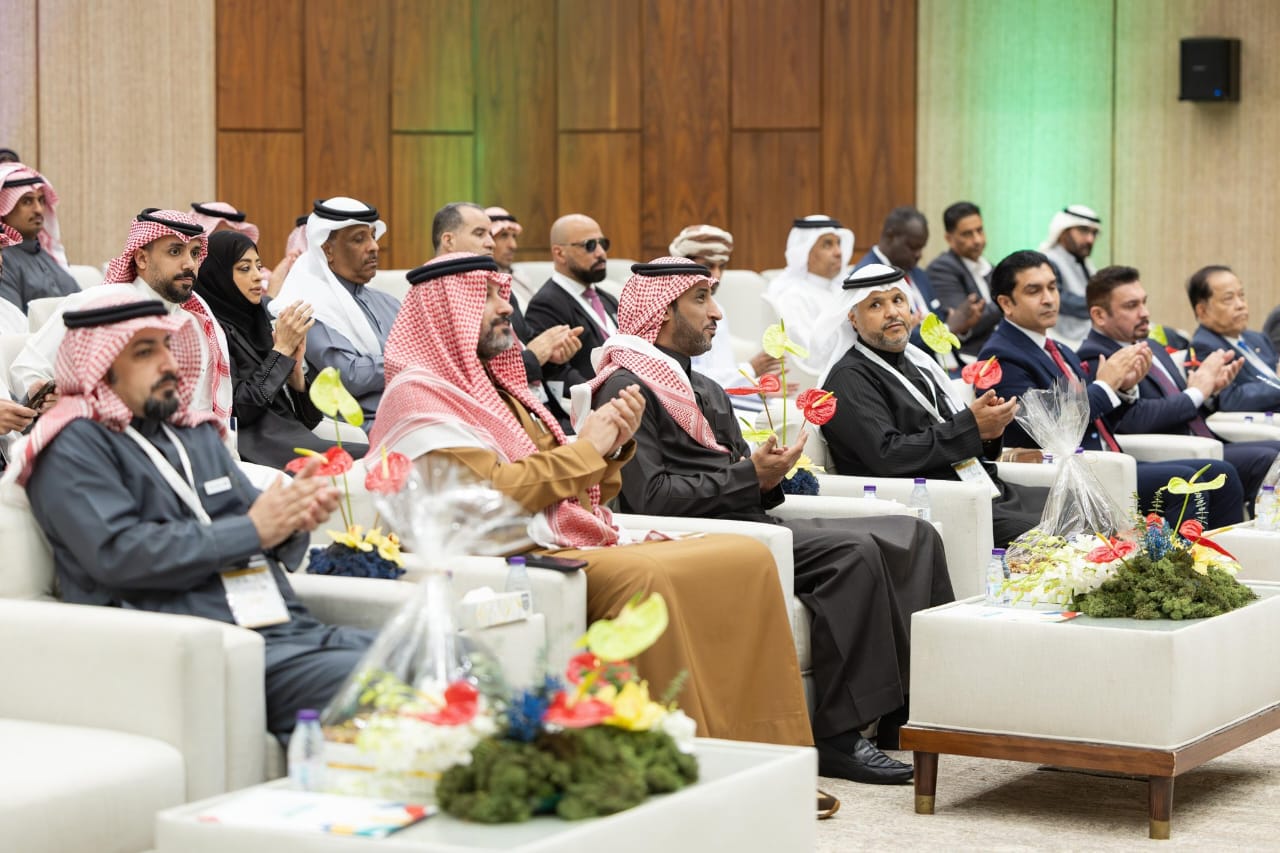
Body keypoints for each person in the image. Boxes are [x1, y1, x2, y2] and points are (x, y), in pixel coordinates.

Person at [369, 252, 812, 749]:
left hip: (554, 533)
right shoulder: (420, 397)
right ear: (448, 312)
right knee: (648, 579)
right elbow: (501, 494)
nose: (506, 307)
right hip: (508, 551)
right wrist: (588, 448)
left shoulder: (497, 390)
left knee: (745, 556)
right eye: (489, 296)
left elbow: (578, 487)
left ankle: (768, 747)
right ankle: (680, 753)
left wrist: (612, 448)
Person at [589, 257, 956, 785]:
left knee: (914, 533)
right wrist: (750, 477)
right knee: (852, 555)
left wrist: (769, 474)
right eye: (701, 300)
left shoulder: (703, 387)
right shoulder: (627, 388)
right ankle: (838, 735)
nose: (718, 314)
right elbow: (651, 498)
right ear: (662, 311)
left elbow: (743, 475)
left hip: (749, 519)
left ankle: (907, 712)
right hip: (697, 537)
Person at [14, 296, 372, 738]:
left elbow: (258, 527)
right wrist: (254, 529)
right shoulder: (74, 447)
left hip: (284, 627)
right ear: (101, 367)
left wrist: (292, 519)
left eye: (167, 346)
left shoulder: (193, 433)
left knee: (435, 650)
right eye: (144, 352)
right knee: (394, 680)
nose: (168, 364)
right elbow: (118, 554)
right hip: (202, 647)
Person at [978, 250, 1244, 529]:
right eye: (1034, 291)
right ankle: (1176, 558)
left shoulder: (1060, 349)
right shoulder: (1000, 356)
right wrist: (1106, 386)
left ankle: (1220, 554)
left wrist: (1123, 388)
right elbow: (1041, 428)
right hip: (1067, 473)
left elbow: (1103, 419)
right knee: (1186, 485)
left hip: (1107, 460)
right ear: (1006, 303)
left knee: (1222, 474)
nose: (1049, 298)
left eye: (1053, 287)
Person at [818, 264, 1046, 546]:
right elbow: (888, 455)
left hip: (975, 485)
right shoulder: (848, 378)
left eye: (898, 300)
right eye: (876, 305)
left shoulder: (918, 363)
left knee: (1075, 503)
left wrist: (989, 432)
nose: (892, 312)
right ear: (853, 318)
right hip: (930, 502)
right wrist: (971, 426)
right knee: (1051, 528)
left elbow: (953, 432)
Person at [1079, 265, 1278, 504]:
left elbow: (1187, 404)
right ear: (1099, 315)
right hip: (1172, 451)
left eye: (1144, 302)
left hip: (1204, 441)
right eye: (1132, 306)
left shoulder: (1152, 346)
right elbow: (1133, 420)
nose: (1144, 313)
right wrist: (1196, 392)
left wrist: (1211, 392)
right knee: (1267, 459)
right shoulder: (1098, 357)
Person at [10, 208, 233, 419]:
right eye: (175, 252)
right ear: (142, 259)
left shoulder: (198, 323)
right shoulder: (96, 306)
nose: (190, 264)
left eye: (195, 253)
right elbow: (27, 368)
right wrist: (47, 396)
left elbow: (203, 409)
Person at [193, 230, 366, 467]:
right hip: (260, 449)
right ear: (217, 276)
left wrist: (296, 375)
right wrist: (282, 350)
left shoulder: (256, 321)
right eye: (245, 268)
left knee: (375, 456)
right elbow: (241, 410)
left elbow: (310, 419)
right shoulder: (212, 333)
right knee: (366, 461)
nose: (258, 277)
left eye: (258, 267)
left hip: (294, 436)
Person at [272, 197, 397, 426]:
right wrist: (408, 360)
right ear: (327, 250)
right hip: (364, 426)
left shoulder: (389, 303)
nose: (374, 246)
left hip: (411, 412)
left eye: (372, 236)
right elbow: (349, 375)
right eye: (359, 239)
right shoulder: (307, 308)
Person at [854, 207, 980, 372]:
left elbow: (938, 317)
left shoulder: (917, 273)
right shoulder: (867, 276)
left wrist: (961, 323)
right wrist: (948, 328)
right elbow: (883, 340)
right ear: (890, 236)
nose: (919, 254)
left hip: (949, 364)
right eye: (913, 247)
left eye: (921, 248)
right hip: (910, 371)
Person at [669, 224, 779, 409]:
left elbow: (720, 377)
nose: (717, 275)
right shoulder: (670, 310)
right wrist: (749, 369)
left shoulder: (716, 309)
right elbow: (684, 378)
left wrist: (757, 390)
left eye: (722, 267)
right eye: (708, 266)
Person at [524, 214, 618, 381]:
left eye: (603, 244)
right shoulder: (546, 305)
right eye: (589, 245)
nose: (601, 253)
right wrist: (606, 393)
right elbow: (556, 373)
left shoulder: (608, 299)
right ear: (560, 253)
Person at [761, 215, 854, 374]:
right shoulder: (794, 297)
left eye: (838, 243)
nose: (839, 252)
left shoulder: (840, 290)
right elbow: (808, 356)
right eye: (827, 245)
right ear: (805, 252)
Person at [1188, 265, 1280, 413]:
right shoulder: (1204, 347)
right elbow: (1230, 400)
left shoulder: (1257, 338)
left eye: (1241, 295)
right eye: (1228, 299)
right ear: (1202, 311)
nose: (1240, 305)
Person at [926, 201, 1001, 358]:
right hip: (970, 355)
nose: (977, 240)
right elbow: (965, 322)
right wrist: (1010, 300)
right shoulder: (941, 269)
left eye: (979, 230)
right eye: (967, 234)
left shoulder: (988, 265)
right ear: (949, 238)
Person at [0, 163, 78, 311]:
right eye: (27, 201)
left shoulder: (47, 255)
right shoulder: (3, 261)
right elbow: (12, 322)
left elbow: (84, 305)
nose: (39, 209)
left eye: (41, 200)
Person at [1039, 205, 1100, 348]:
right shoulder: (1049, 260)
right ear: (1063, 232)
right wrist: (1103, 304)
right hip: (1063, 340)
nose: (1090, 239)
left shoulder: (1083, 262)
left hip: (1087, 336)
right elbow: (1058, 299)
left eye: (1094, 233)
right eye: (1083, 231)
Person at [485, 206, 536, 304]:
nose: (513, 245)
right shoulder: (483, 286)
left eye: (514, 236)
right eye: (504, 236)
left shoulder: (520, 276)